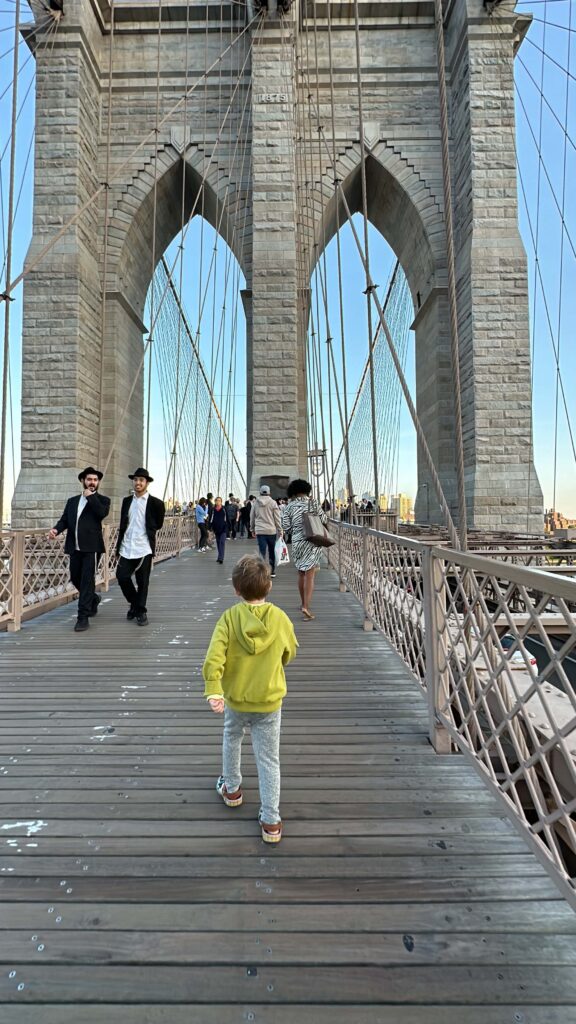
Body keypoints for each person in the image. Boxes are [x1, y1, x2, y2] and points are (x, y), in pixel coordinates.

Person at [202, 555, 298, 843]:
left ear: (236, 590)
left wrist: (214, 690)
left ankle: (231, 788)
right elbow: (289, 652)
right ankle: (271, 820)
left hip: (236, 699)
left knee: (232, 738)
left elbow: (213, 659)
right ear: (268, 588)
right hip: (269, 700)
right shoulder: (280, 618)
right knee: (269, 758)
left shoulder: (229, 619)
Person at [47, 466, 110, 632]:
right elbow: (64, 520)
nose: (92, 482)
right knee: (75, 577)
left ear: (98, 483)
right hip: (74, 548)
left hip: (91, 548)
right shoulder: (72, 501)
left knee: (87, 581)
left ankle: (83, 617)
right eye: (89, 479)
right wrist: (55, 529)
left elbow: (101, 514)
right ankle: (93, 598)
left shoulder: (102, 500)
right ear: (83, 481)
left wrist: (91, 498)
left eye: (95, 480)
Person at [116, 468, 166, 626]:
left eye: (141, 480)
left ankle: (140, 612)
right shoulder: (126, 501)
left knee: (143, 581)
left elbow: (158, 524)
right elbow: (124, 523)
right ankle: (136, 605)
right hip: (126, 546)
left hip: (144, 547)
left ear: (147, 483)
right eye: (136, 479)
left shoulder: (156, 503)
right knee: (122, 576)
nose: (138, 483)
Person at [281, 478, 328, 621]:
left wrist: (297, 530)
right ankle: (306, 607)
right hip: (312, 540)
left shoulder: (289, 506)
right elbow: (324, 520)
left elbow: (286, 528)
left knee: (301, 573)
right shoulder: (313, 503)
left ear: (293, 492)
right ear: (307, 490)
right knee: (310, 575)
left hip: (297, 542)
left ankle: (303, 603)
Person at [250, 485, 281, 577]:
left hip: (260, 531)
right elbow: (277, 518)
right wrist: (280, 529)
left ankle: (261, 571)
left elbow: (252, 517)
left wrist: (252, 529)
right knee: (272, 551)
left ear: (260, 492)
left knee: (262, 552)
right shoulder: (273, 503)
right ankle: (272, 571)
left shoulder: (255, 503)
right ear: (269, 492)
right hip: (271, 531)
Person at [209, 496, 227, 563]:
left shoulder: (224, 509)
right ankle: (219, 556)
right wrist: (210, 527)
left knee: (222, 543)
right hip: (216, 529)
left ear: (221, 501)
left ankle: (221, 558)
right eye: (217, 500)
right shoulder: (213, 510)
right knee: (218, 543)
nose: (218, 502)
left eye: (219, 500)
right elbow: (211, 519)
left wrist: (230, 528)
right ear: (215, 502)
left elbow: (227, 518)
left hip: (223, 528)